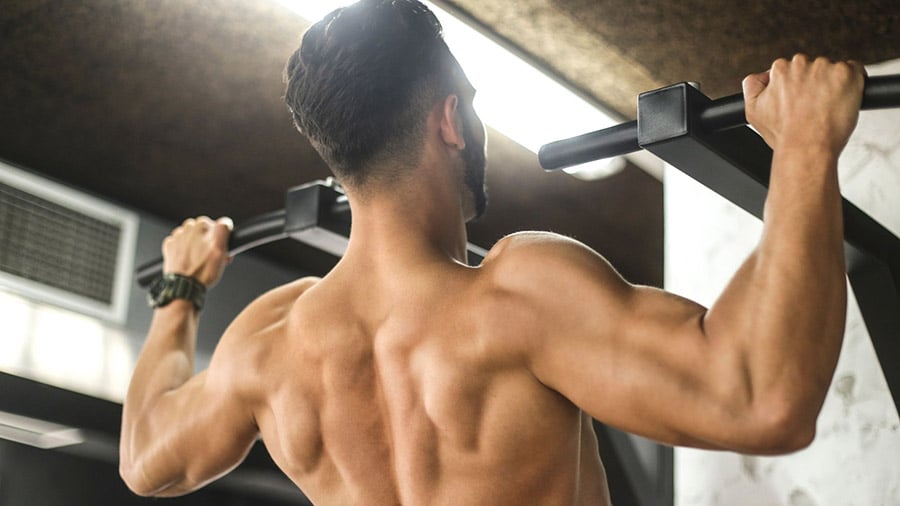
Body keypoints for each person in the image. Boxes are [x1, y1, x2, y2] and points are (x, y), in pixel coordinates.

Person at [118, 0, 866, 503]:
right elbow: (762, 398)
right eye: (471, 104)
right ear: (450, 121)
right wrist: (804, 147)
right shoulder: (513, 299)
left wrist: (180, 292)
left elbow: (147, 459)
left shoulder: (269, 345)